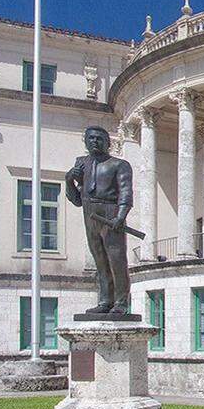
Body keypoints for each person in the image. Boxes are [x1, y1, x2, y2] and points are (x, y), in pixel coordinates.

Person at [66, 126, 133, 314]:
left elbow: (126, 193)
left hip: (110, 211)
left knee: (116, 260)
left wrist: (120, 216)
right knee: (100, 260)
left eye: (99, 138)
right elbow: (76, 200)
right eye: (91, 138)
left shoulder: (119, 164)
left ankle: (121, 302)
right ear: (86, 142)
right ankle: (105, 301)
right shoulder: (81, 164)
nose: (94, 141)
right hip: (89, 212)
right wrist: (69, 180)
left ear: (108, 143)